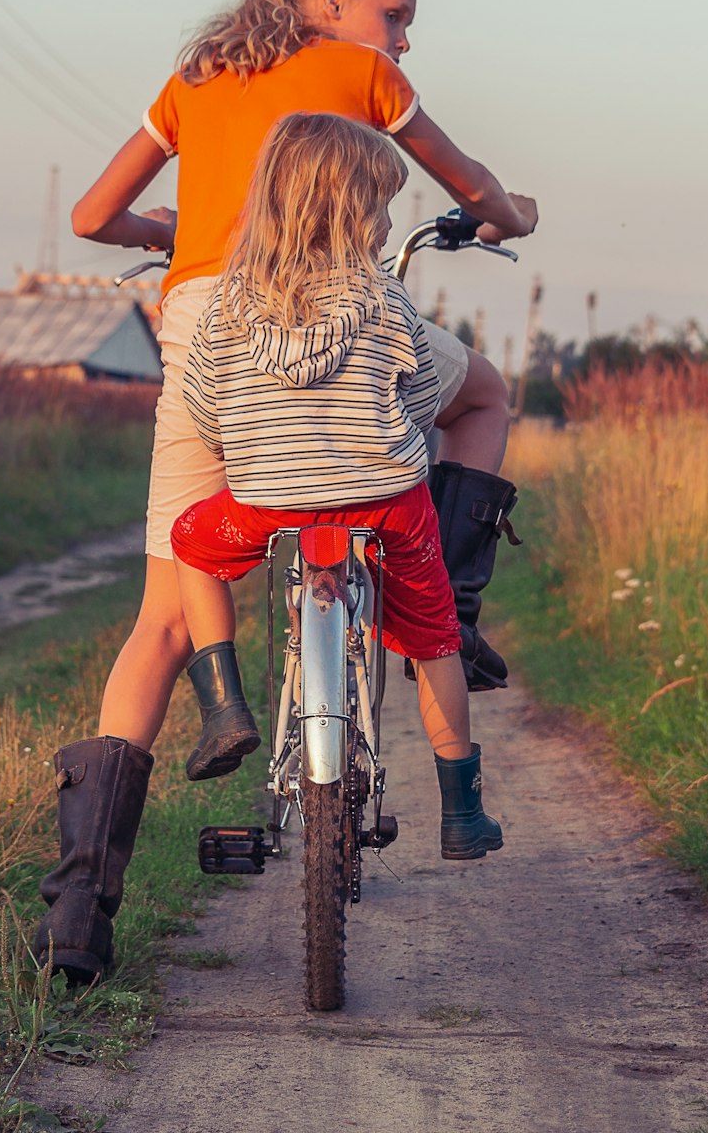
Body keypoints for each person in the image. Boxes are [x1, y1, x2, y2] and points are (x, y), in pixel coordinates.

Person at [35, 0, 536, 984]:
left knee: (167, 610)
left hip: (204, 326)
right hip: (335, 307)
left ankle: (77, 912)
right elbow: (470, 180)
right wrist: (508, 213)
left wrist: (167, 236)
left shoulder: (195, 75)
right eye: (394, 11)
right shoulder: (363, 74)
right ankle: (448, 610)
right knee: (482, 392)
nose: (402, 34)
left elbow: (89, 216)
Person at [168, 112, 503, 869]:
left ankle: (222, 707)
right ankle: (461, 808)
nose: (388, 224)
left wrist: (248, 448)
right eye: (382, 207)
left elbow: (204, 406)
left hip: (267, 502)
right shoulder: (385, 302)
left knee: (190, 546)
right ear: (351, 212)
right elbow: (418, 395)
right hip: (388, 505)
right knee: (435, 636)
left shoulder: (226, 305)